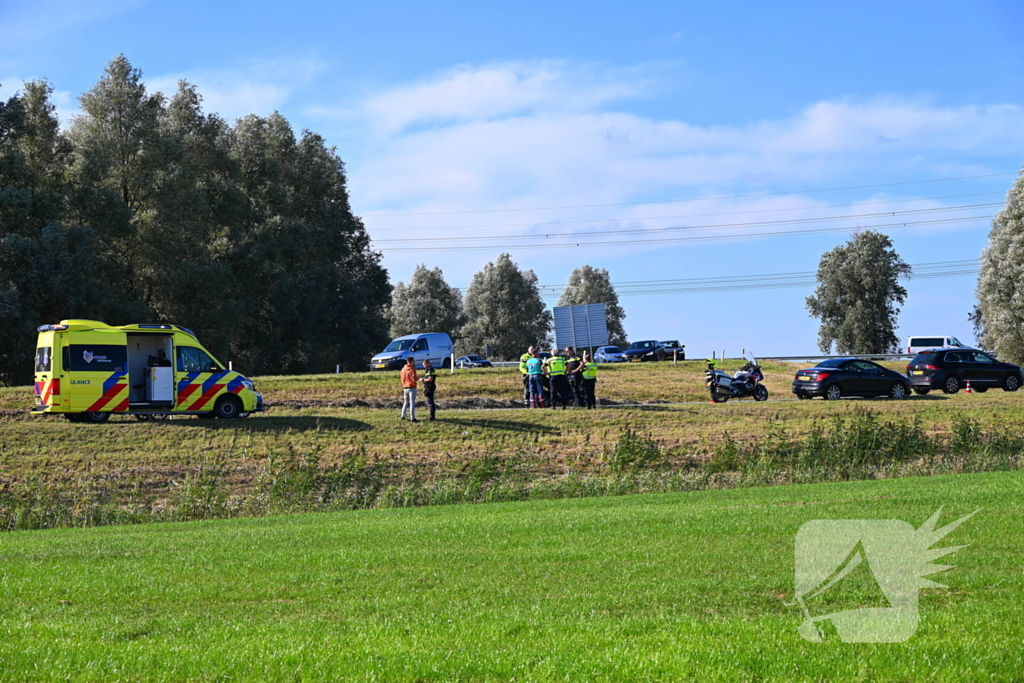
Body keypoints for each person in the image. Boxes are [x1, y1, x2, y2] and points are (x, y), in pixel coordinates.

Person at [400, 357, 419, 422]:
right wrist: (418, 379)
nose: (414, 362)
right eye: (413, 361)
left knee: (405, 402)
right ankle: (412, 417)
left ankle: (403, 415)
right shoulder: (412, 369)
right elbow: (414, 378)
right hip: (411, 387)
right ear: (411, 362)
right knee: (412, 402)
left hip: (405, 387)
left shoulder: (403, 369)